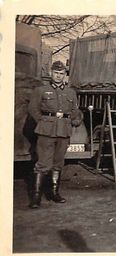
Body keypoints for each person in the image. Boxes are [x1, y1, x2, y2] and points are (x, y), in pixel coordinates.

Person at [28, 61, 82, 209]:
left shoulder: (71, 92)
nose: (58, 76)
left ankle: (54, 193)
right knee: (43, 163)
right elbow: (33, 109)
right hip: (46, 131)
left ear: (65, 75)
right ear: (51, 73)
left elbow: (75, 110)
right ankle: (36, 196)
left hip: (63, 131)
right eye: (56, 73)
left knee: (58, 163)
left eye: (61, 74)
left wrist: (76, 120)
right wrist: (44, 121)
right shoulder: (41, 90)